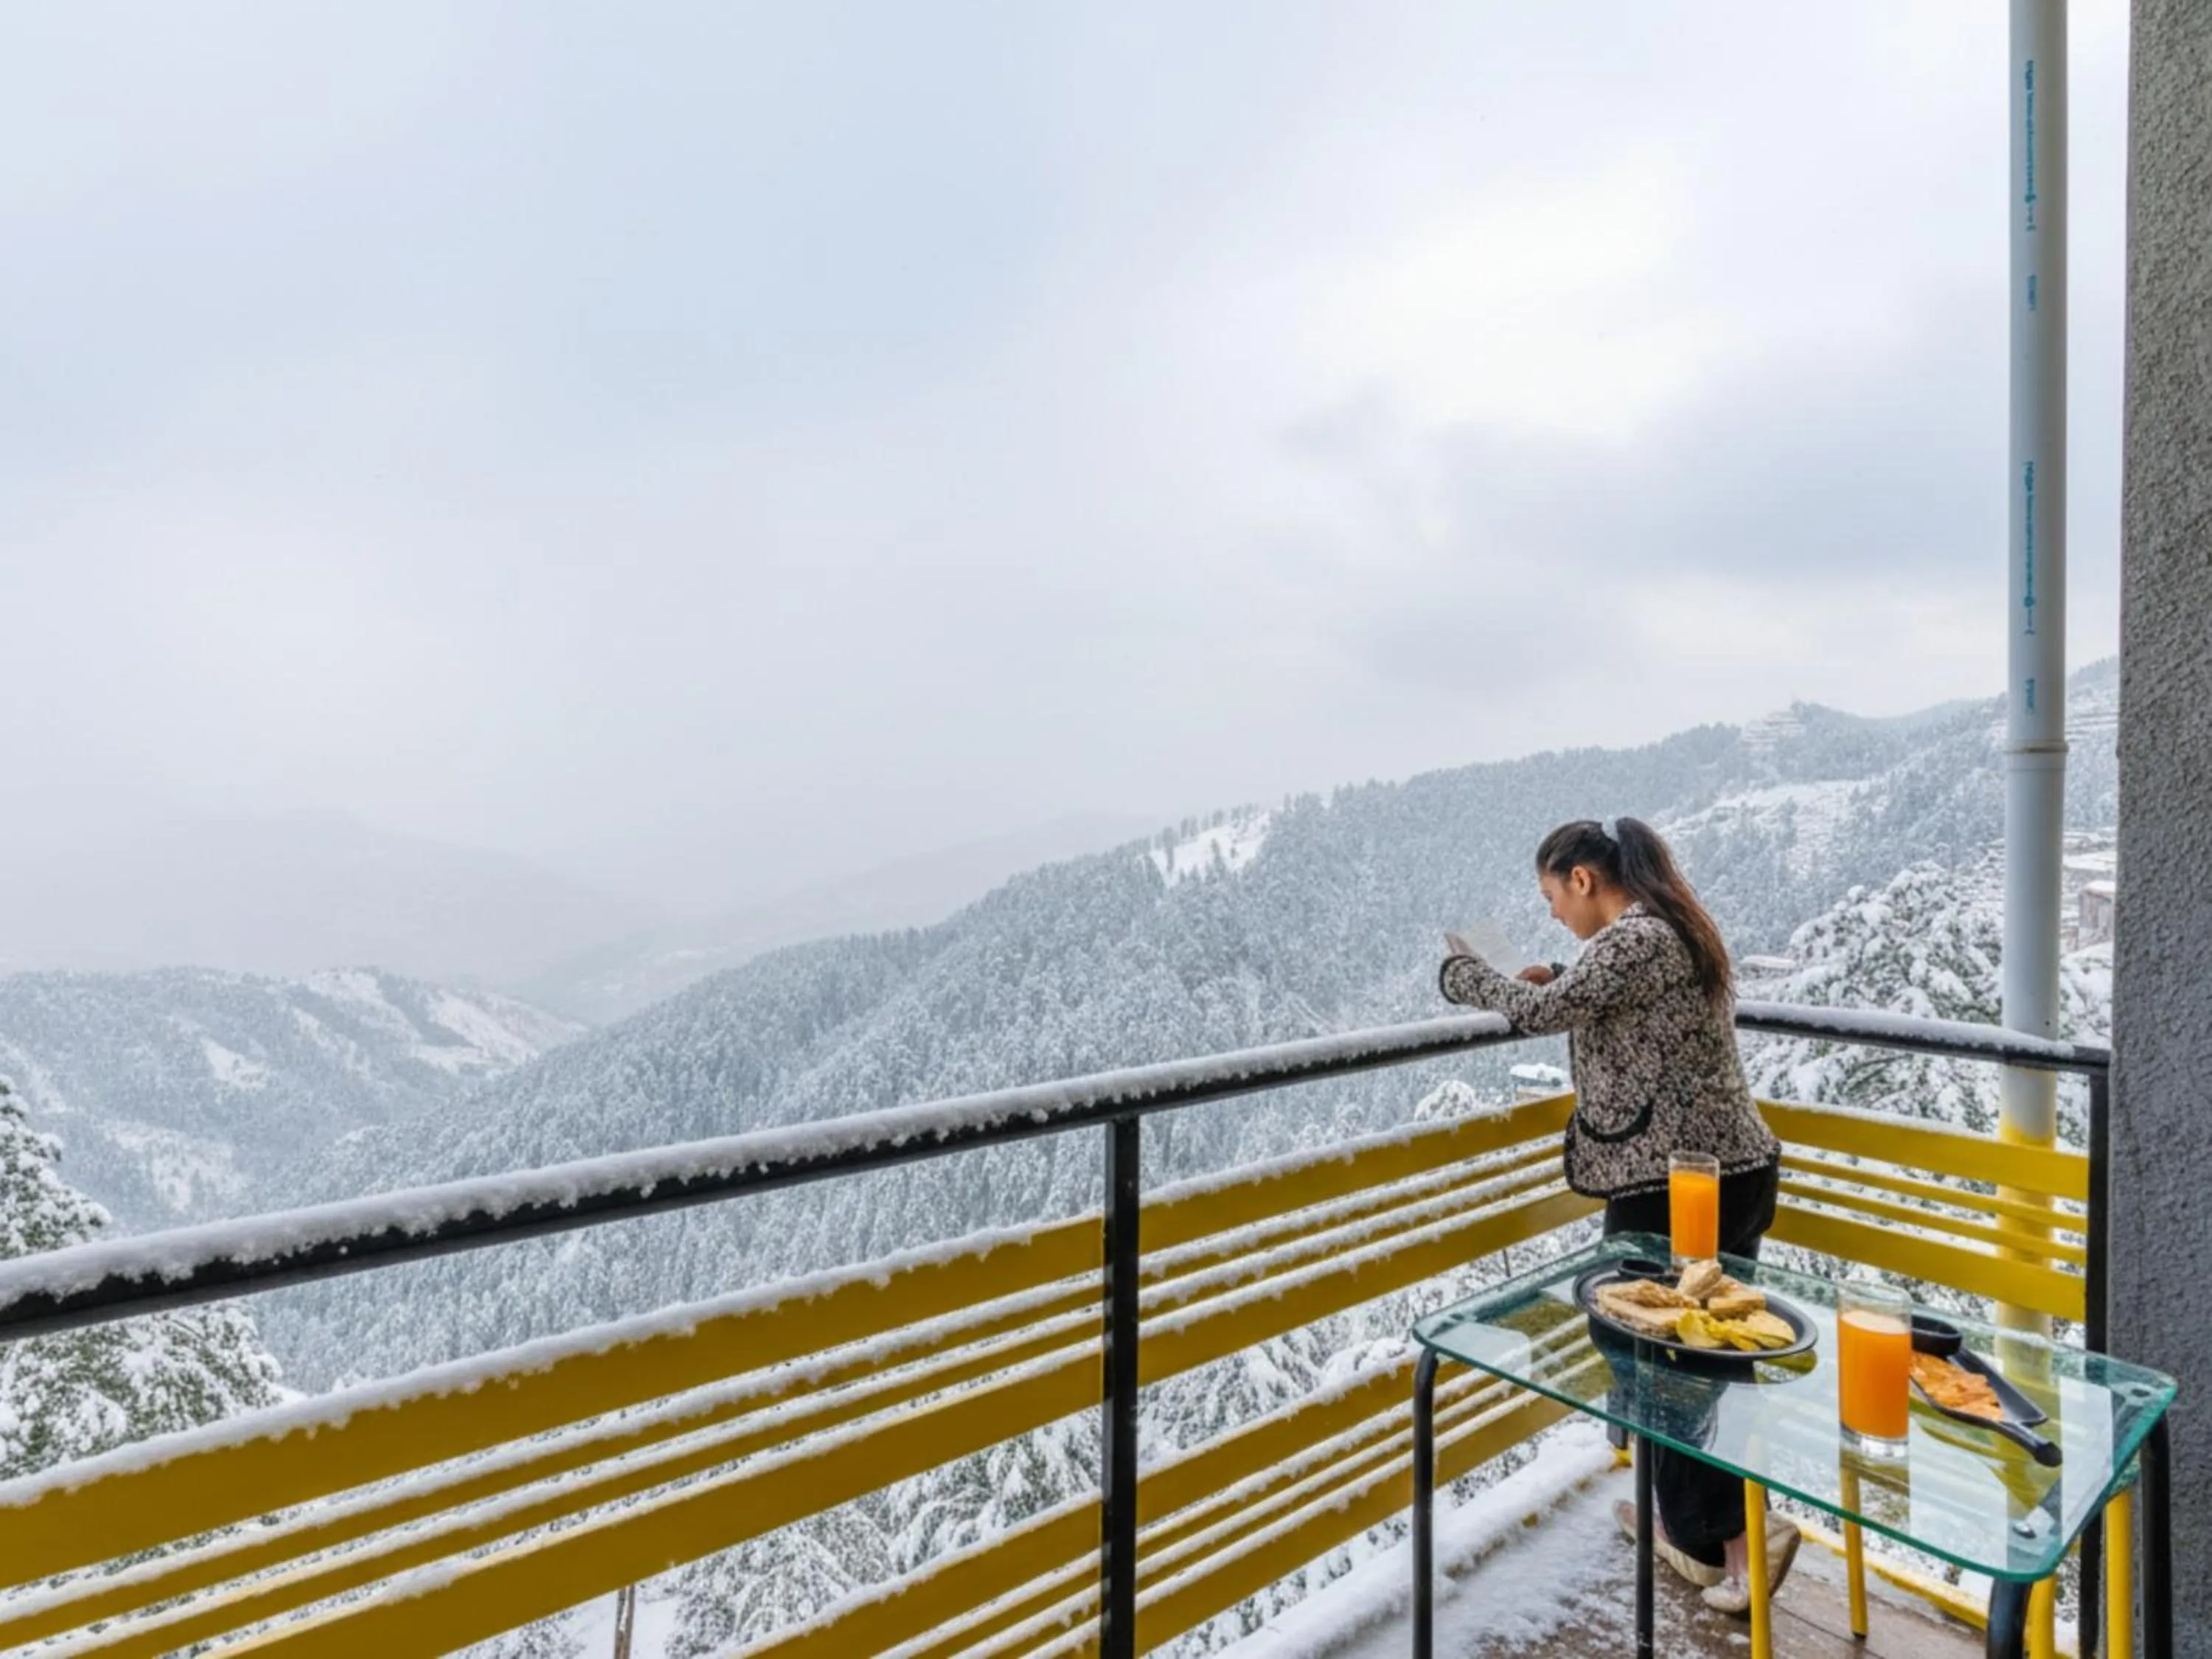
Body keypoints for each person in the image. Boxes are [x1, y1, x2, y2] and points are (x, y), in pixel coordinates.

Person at [1439, 815, 1795, 1616]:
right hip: (1723, 1174)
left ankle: (1729, 1539)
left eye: (1551, 898)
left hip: (1681, 1184)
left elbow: (1542, 1016)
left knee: (1665, 1362)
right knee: (1707, 1358)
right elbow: (1599, 1002)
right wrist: (1557, 976)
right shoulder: (1660, 932)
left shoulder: (1640, 939)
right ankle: (1708, 1535)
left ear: (1583, 880)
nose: (1554, 915)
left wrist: (1466, 977)